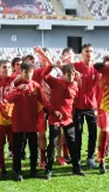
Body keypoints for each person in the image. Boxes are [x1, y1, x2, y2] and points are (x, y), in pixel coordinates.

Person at [35, 48, 83, 178]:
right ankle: (48, 170)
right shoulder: (56, 82)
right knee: (53, 143)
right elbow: (43, 76)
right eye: (68, 74)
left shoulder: (75, 85)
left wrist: (78, 79)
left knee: (73, 143)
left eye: (72, 74)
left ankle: (76, 168)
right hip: (55, 117)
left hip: (67, 118)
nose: (71, 76)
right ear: (63, 74)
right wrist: (51, 65)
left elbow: (74, 99)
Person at [6, 62, 51, 181]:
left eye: (30, 72)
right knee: (17, 148)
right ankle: (17, 171)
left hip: (32, 122)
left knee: (33, 147)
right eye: (26, 72)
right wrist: (18, 91)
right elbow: (8, 99)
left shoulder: (36, 85)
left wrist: (53, 110)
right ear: (21, 73)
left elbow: (44, 101)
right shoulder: (16, 85)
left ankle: (33, 170)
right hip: (18, 122)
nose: (28, 75)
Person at [72, 44, 101, 169]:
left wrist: (99, 105)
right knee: (77, 133)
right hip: (77, 106)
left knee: (93, 133)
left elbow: (100, 87)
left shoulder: (96, 68)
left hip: (91, 106)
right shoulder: (75, 66)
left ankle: (90, 157)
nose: (89, 53)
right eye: (87, 51)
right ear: (82, 53)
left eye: (91, 51)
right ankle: (77, 158)